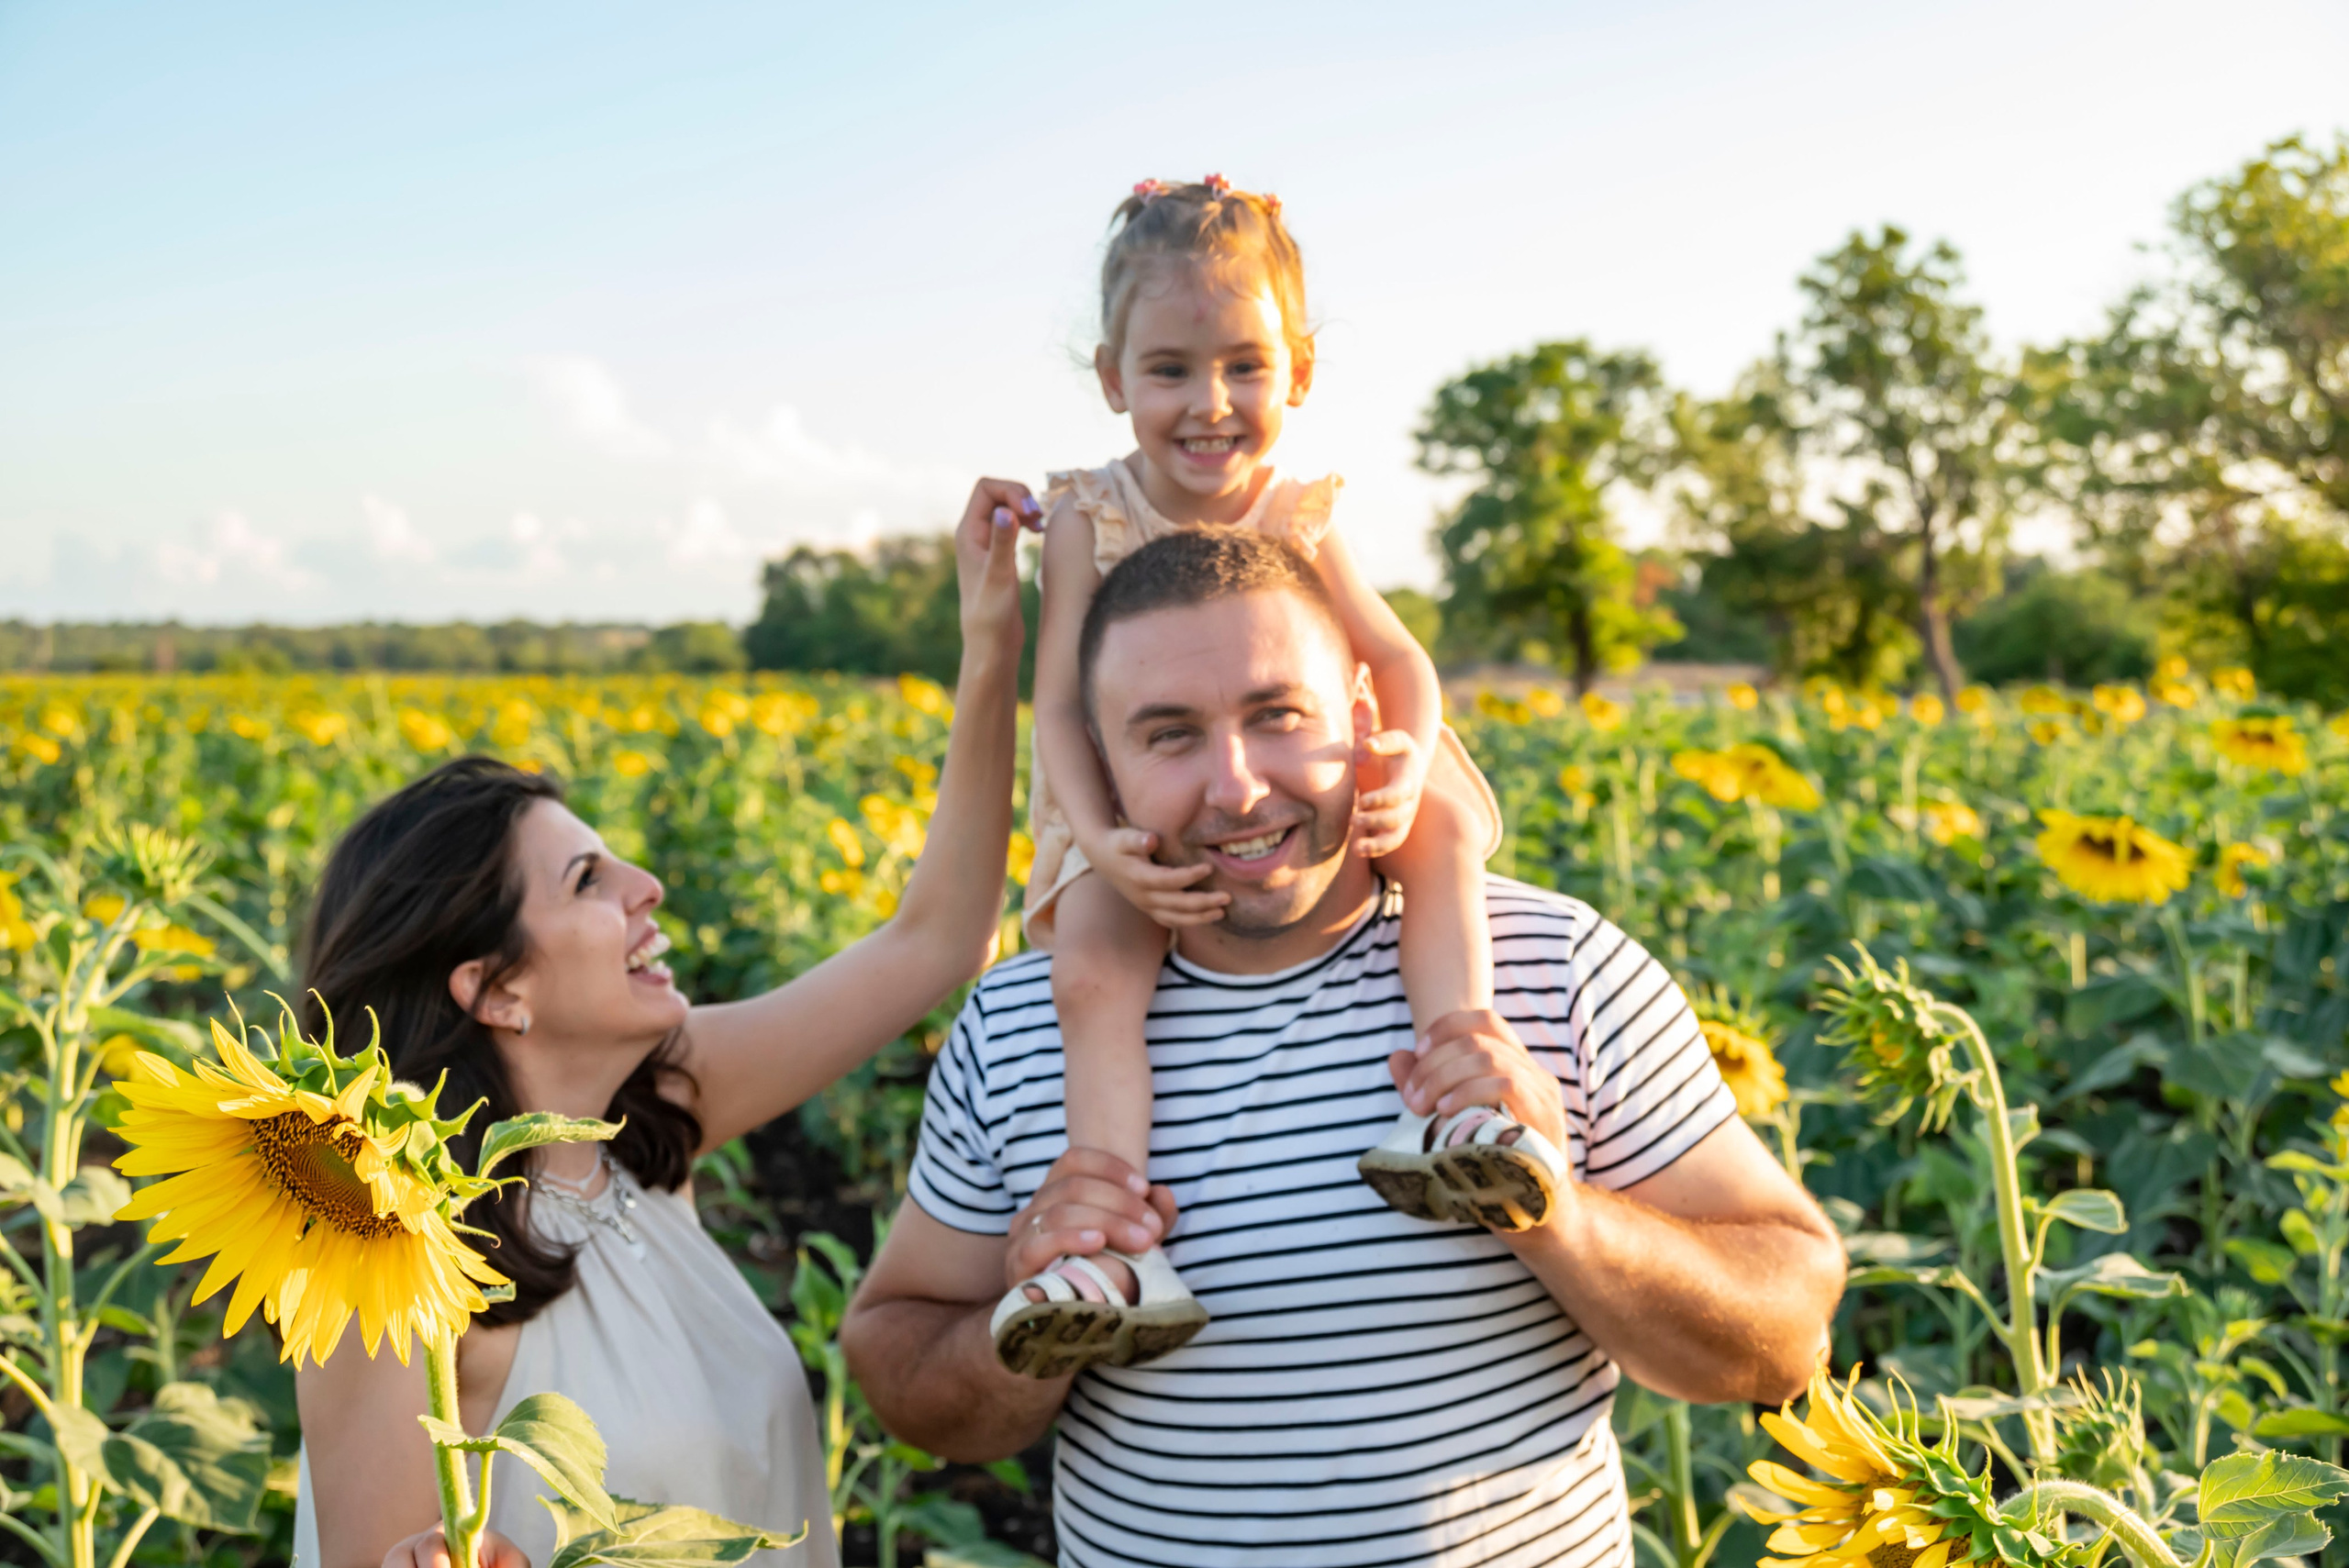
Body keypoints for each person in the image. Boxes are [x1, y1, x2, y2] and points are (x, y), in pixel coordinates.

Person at [841, 527, 1846, 1568]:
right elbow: (904, 1377)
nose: (1235, 786)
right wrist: (1022, 1321)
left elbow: (1786, 1336)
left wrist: (1560, 1216)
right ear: (1100, 770)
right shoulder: (1016, 1025)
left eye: (1278, 715)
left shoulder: (1554, 967)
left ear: (1365, 720)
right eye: (1170, 735)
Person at [292, 480, 1039, 1568]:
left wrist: (989, 638)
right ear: (495, 988)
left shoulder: (649, 1118)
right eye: (588, 878)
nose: (645, 885)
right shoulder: (387, 1264)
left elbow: (934, 941)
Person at [1000, 175, 1522, 1379]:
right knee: (1091, 965)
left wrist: (1400, 746)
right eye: (1170, 369)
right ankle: (1112, 1233)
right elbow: (1065, 701)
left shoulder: (1300, 506)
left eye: (1244, 367)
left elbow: (1395, 657)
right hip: (1129, 790)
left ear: (1298, 372)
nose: (1210, 404)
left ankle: (1463, 1086)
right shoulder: (1088, 513)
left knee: (1441, 831)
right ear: (1111, 378)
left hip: (1325, 759)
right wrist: (1100, 835)